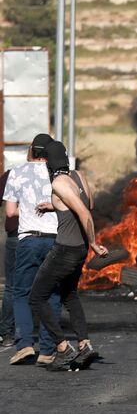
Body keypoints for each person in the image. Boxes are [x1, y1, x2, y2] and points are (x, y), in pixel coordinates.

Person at [26, 141, 107, 370]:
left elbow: (83, 212)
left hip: (65, 249)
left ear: (48, 163)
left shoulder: (59, 182)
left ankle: (63, 348)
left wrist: (94, 242)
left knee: (37, 297)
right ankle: (84, 344)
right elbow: (86, 202)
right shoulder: (78, 176)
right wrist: (55, 205)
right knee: (70, 295)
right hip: (78, 249)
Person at [5, 133, 64, 366]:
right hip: (55, 241)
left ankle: (25, 344)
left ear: (31, 150)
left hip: (28, 240)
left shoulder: (16, 172)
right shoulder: (59, 174)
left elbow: (10, 212)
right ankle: (47, 351)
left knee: (21, 293)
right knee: (52, 294)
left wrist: (28, 209)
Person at [1, 168, 16, 347]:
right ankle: (50, 338)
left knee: (12, 287)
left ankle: (7, 334)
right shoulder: (53, 174)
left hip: (16, 235)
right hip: (46, 236)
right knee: (45, 289)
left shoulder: (14, 173)